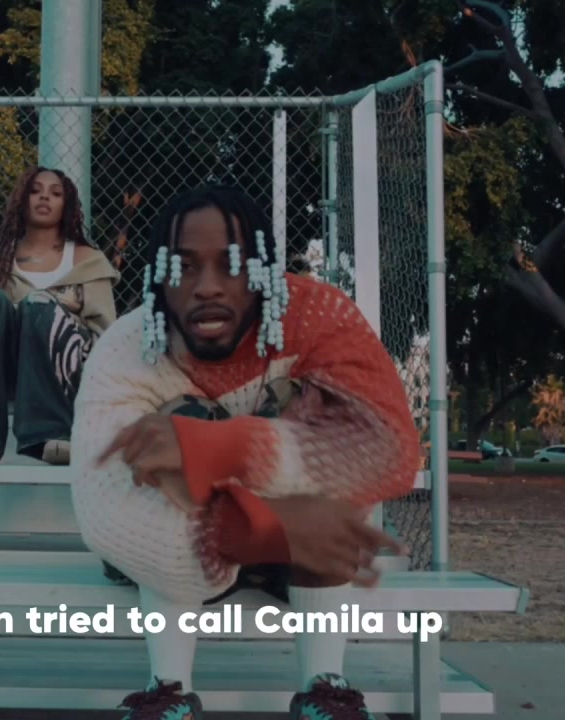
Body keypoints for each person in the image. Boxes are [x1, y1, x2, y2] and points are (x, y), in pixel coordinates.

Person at [69, 185, 421, 719]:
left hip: (297, 541)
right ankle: (168, 688)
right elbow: (104, 507)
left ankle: (325, 685)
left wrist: (231, 447)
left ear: (265, 273)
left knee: (333, 461)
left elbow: (390, 448)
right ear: (157, 278)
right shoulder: (127, 346)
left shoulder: (317, 315)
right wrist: (241, 526)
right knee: (173, 444)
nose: (208, 286)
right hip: (183, 546)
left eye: (232, 266)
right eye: (183, 267)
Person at [0, 166, 119, 465]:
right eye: (35, 191)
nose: (44, 197)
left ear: (67, 205)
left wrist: (98, 389)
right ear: (22, 200)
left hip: (64, 371)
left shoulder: (89, 260)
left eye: (55, 193)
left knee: (38, 304)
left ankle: (54, 432)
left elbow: (105, 332)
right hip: (1, 368)